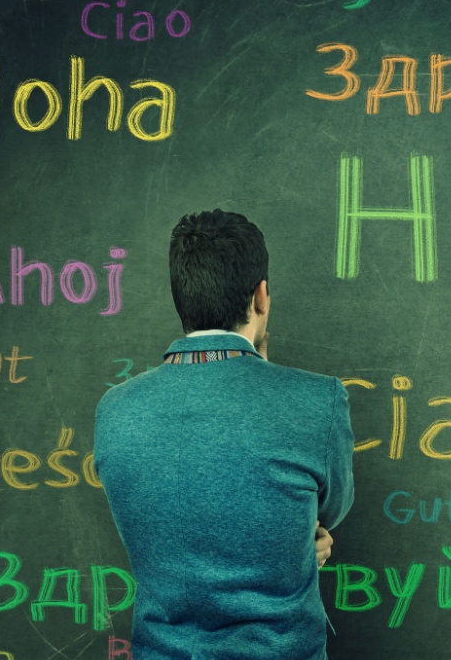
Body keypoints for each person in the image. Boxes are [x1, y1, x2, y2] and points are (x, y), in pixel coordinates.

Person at [95, 209, 354, 658]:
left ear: (182, 298)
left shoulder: (115, 409)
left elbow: (170, 523)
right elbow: (328, 510)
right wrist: (291, 545)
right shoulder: (319, 400)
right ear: (261, 296)